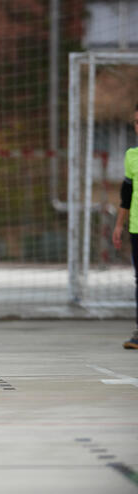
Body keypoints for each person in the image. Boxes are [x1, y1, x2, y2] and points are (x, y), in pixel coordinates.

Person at [111, 102, 138, 350]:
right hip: (136, 227)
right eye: (137, 123)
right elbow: (126, 195)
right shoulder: (132, 156)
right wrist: (119, 225)